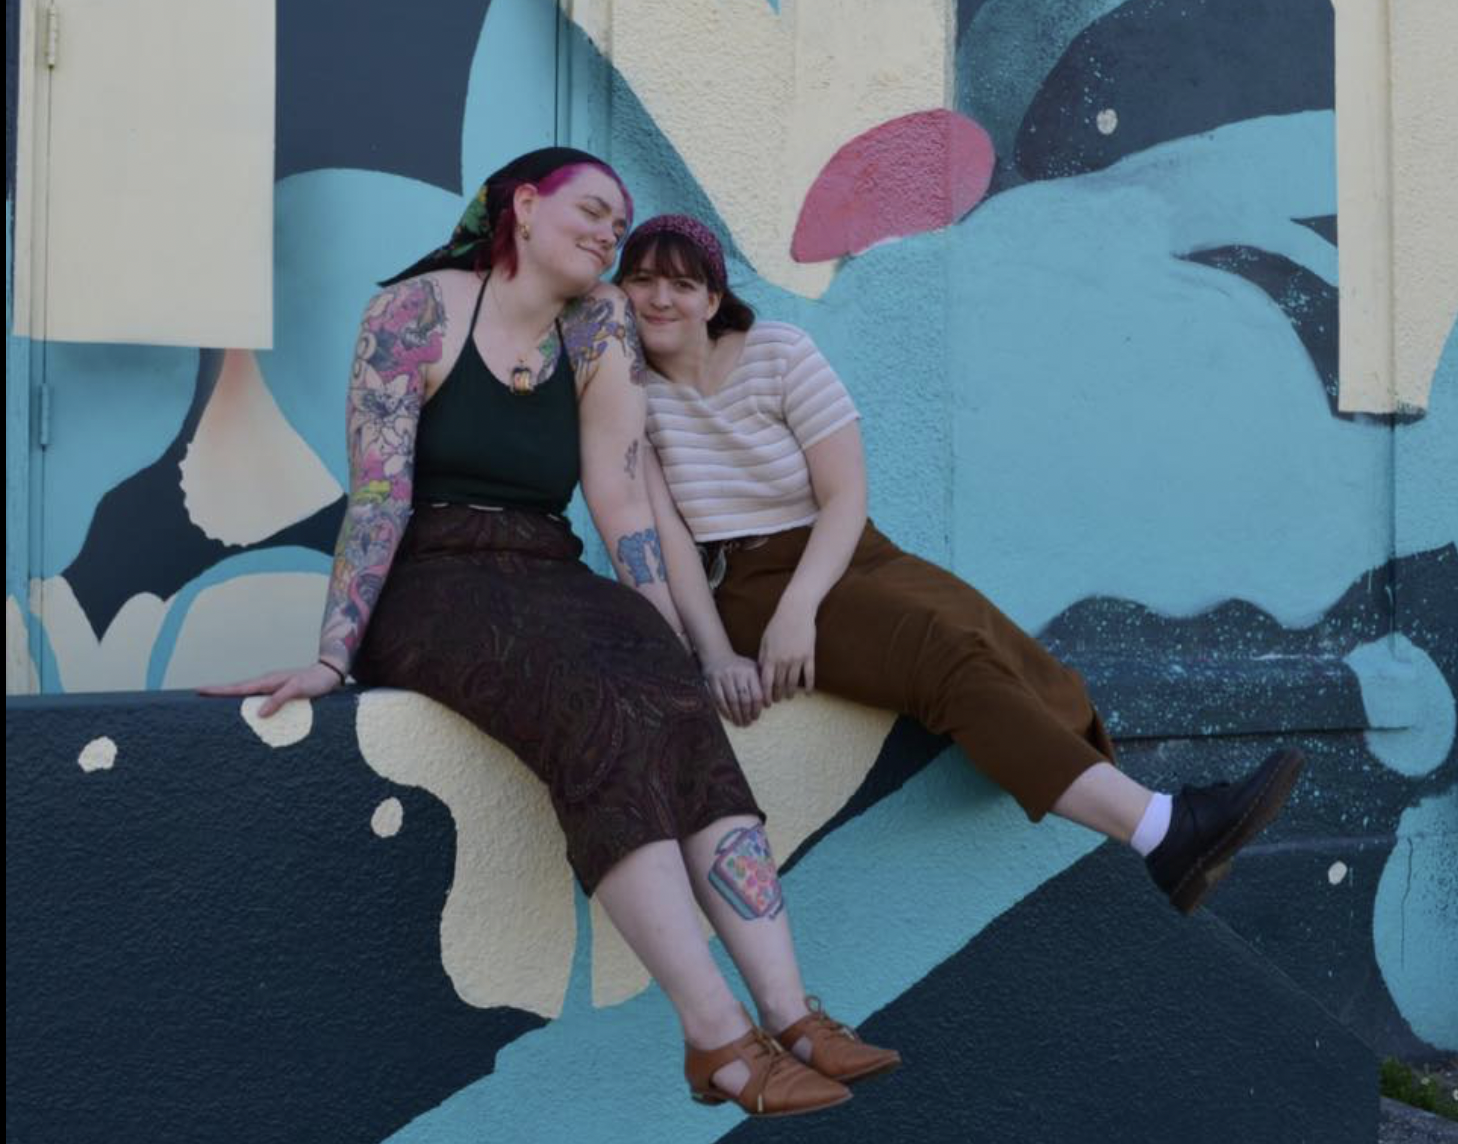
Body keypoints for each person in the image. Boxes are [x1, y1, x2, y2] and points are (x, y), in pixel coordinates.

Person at [201, 153, 899, 1117]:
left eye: (621, 222)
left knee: (671, 704)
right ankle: (718, 1040)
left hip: (546, 567)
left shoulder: (601, 322)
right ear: (524, 208)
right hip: (433, 580)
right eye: (595, 212)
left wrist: (664, 642)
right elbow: (377, 498)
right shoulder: (415, 314)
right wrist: (334, 653)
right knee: (595, 707)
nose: (614, 234)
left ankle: (793, 1013)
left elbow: (619, 498)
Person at [615, 213, 1305, 915]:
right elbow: (669, 539)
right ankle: (1164, 829)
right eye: (639, 281)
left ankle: (1151, 817)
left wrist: (802, 608)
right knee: (946, 660)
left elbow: (845, 493)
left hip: (845, 549)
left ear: (711, 298)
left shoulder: (780, 352)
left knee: (1000, 646)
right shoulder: (633, 399)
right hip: (749, 583)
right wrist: (716, 655)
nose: (659, 299)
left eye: (680, 282)